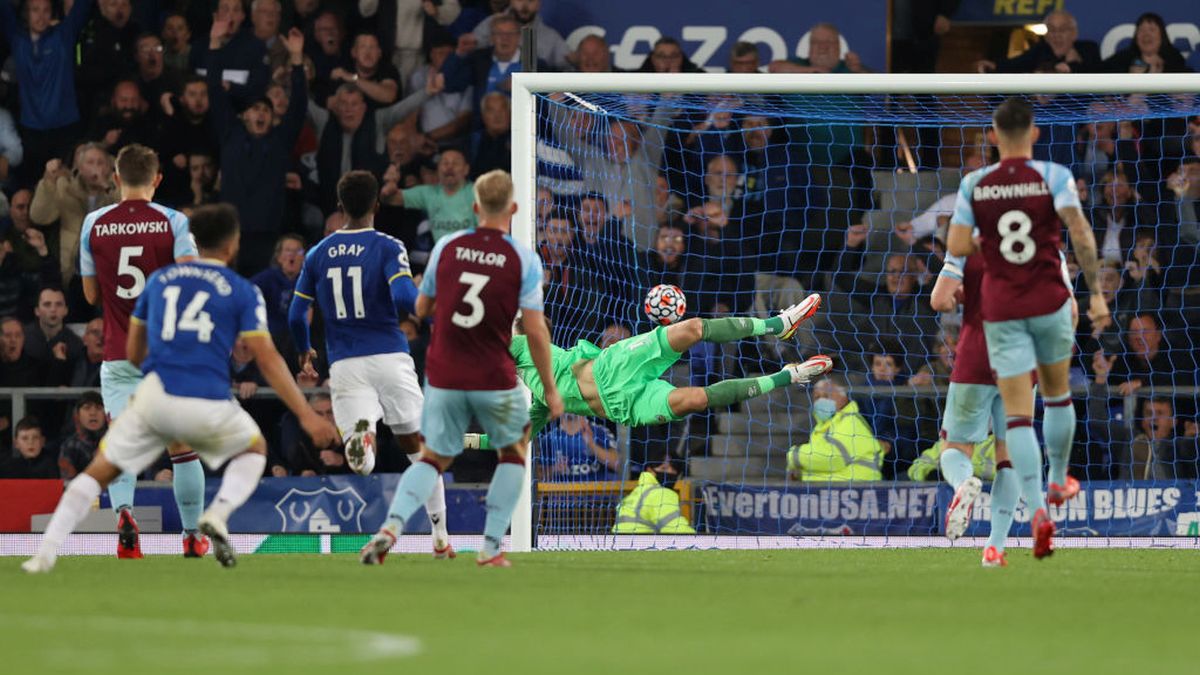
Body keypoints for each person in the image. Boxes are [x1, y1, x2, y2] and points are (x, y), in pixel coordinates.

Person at [22, 203, 339, 573]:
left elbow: (135, 347)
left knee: (99, 471)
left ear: (192, 241)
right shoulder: (242, 291)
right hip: (206, 396)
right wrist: (306, 415)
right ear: (233, 245)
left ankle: (44, 553)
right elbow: (267, 358)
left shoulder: (160, 281)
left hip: (156, 391)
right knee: (253, 450)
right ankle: (211, 520)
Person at [360, 169, 563, 568]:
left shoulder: (448, 247)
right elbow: (536, 329)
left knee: (433, 458)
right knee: (513, 452)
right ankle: (489, 548)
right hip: (493, 374)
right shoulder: (523, 259)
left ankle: (391, 527)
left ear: (474, 207)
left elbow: (421, 309)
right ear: (515, 209)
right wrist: (551, 390)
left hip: (444, 370)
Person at [947, 96, 1109, 560]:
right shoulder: (1053, 174)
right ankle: (1058, 478)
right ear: (1034, 133)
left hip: (1002, 311)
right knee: (1056, 396)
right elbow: (1079, 231)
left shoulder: (975, 182)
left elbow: (957, 242)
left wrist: (986, 234)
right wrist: (1095, 292)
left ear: (993, 137)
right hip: (1050, 301)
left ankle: (1038, 510)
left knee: (1016, 417)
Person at [288, 170, 453, 557]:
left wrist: (303, 350)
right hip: (390, 358)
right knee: (420, 451)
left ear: (340, 205)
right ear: (377, 205)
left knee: (360, 461)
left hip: (346, 363)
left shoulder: (318, 253)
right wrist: (428, 314)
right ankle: (441, 537)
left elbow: (297, 315)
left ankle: (362, 438)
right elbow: (402, 298)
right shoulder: (387, 246)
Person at [78, 143, 204, 559]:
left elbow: (91, 293)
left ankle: (126, 517)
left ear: (116, 179)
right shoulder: (174, 221)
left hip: (118, 352)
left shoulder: (94, 222)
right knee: (182, 448)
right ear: (157, 179)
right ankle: (191, 536)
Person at [479, 295, 830, 443]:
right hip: (627, 406)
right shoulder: (539, 399)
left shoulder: (521, 347)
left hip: (611, 367)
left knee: (692, 328)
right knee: (695, 400)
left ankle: (776, 323)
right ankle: (791, 375)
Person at [929, 251, 1019, 565]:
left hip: (977, 355)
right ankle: (994, 547)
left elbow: (940, 301)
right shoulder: (1041, 245)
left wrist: (963, 298)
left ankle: (963, 482)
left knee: (955, 445)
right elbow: (1066, 309)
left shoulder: (968, 244)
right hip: (1021, 360)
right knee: (1008, 455)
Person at [208, 19, 308, 274]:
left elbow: (298, 107)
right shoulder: (230, 134)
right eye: (255, 109)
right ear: (244, 115)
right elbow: (215, 92)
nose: (261, 114)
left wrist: (296, 59)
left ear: (273, 117)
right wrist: (215, 45)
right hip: (232, 236)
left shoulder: (280, 141)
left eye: (266, 110)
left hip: (268, 237)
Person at [0, 0, 95, 185]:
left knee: (66, 187)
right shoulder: (17, 39)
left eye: (46, 10)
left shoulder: (63, 35)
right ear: (26, 14)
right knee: (36, 188)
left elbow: (82, 7)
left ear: (52, 13)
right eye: (35, 10)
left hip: (65, 128)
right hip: (31, 129)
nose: (41, 16)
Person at [785, 377, 885, 482]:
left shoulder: (850, 422)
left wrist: (794, 455)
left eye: (826, 396)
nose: (820, 401)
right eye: (817, 397)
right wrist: (801, 475)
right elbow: (823, 468)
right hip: (837, 492)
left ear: (843, 398)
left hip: (862, 491)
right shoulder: (821, 428)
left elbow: (833, 458)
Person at [23, 287, 84, 386]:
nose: (53, 309)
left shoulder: (75, 343)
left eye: (59, 304)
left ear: (66, 310)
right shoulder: (22, 339)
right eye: (47, 304)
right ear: (37, 311)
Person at [56, 391, 108, 479]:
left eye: (99, 408)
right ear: (78, 415)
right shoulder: (70, 446)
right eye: (87, 408)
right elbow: (68, 481)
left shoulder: (116, 442)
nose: (93, 413)